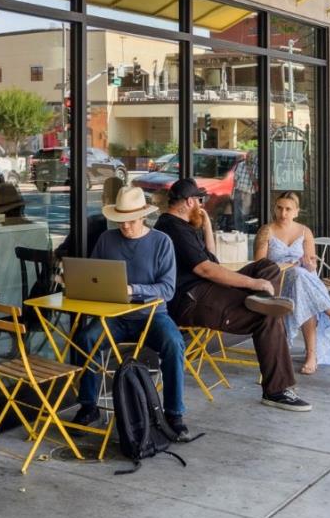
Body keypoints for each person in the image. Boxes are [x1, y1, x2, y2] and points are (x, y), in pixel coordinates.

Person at [155, 178, 310, 412]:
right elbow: (206, 270)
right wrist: (252, 283)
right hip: (192, 299)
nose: (202, 204)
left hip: (207, 289)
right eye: (199, 200)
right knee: (265, 318)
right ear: (188, 202)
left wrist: (206, 225)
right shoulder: (173, 229)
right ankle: (276, 391)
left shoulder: (185, 226)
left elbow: (211, 259)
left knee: (267, 267)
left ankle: (264, 301)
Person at [68, 187, 189, 438]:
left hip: (152, 316)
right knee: (86, 339)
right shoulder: (107, 240)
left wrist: (132, 289)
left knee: (174, 343)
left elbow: (167, 289)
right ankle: (89, 406)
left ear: (143, 217)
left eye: (131, 221)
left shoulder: (161, 242)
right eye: (121, 222)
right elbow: (94, 277)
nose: (125, 227)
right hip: (115, 316)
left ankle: (174, 413)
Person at [254, 192, 330, 375]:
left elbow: (311, 266)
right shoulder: (266, 231)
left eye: (288, 209)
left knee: (302, 283)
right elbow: (259, 265)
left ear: (296, 212)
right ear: (275, 208)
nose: (283, 213)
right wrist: (288, 265)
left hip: (303, 280)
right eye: (279, 208)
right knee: (301, 280)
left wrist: (309, 263)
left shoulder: (305, 231)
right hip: (276, 281)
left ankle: (312, 354)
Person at [55, 176, 124, 259]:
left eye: (114, 199)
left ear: (103, 199)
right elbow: (62, 252)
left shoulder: (90, 224)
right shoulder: (91, 224)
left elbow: (62, 252)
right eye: (111, 199)